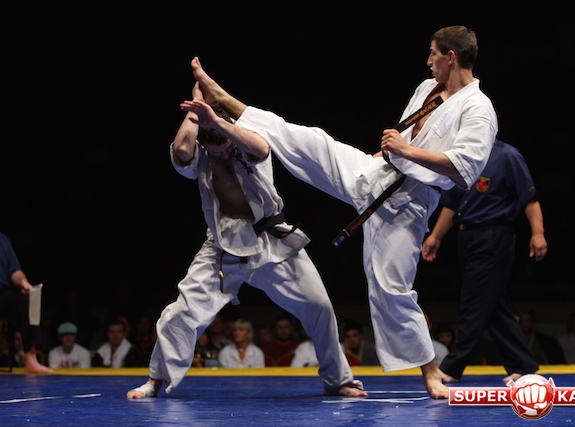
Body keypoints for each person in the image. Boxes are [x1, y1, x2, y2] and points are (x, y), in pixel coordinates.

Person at [187, 24, 497, 398]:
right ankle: (222, 99)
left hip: (407, 204)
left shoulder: (479, 108)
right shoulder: (427, 88)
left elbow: (464, 169)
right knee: (308, 139)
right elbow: (405, 142)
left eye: (433, 54)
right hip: (377, 172)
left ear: (451, 57)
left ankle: (430, 373)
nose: (428, 61)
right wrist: (390, 154)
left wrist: (405, 151)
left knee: (391, 289)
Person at [127, 80, 366, 399]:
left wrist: (217, 122)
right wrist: (195, 111)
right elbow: (182, 150)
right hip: (222, 247)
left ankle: (337, 380)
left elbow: (262, 148)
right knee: (182, 312)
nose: (222, 153)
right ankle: (155, 381)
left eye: (225, 146)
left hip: (272, 240)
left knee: (318, 305)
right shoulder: (202, 155)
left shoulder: (245, 141)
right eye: (214, 150)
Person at [422, 138, 547, 383]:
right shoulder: (463, 156)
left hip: (494, 236)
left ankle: (452, 367)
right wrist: (436, 236)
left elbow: (529, 198)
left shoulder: (508, 155)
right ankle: (523, 364)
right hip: (466, 236)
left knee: (475, 301)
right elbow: (452, 204)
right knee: (493, 304)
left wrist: (538, 232)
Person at [0, 232, 53, 374]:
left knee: (28, 301)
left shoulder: (3, 240)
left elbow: (15, 272)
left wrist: (23, 282)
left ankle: (30, 359)